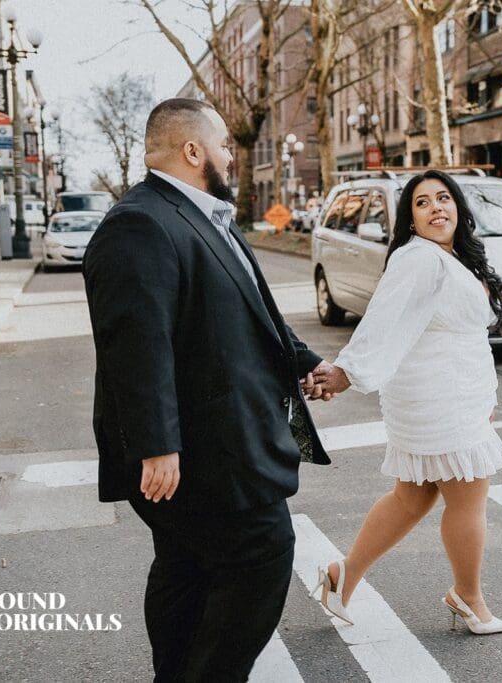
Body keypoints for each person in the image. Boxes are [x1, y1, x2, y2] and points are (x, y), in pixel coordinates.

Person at [82, 98, 336, 681]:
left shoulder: (204, 215)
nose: (231, 156)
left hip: (224, 440)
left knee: (186, 569)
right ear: (193, 151)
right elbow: (135, 345)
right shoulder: (140, 222)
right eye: (224, 145)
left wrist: (306, 360)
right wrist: (156, 444)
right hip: (199, 453)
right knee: (262, 554)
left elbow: (249, 310)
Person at [311, 169, 502, 635]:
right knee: (467, 499)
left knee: (413, 497)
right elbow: (384, 319)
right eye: (422, 203)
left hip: (451, 394)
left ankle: (342, 577)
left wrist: (485, 396)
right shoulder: (419, 258)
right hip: (440, 398)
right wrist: (346, 372)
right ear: (410, 219)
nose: (436, 208)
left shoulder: (451, 257)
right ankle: (469, 597)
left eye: (444, 198)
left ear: (458, 207)